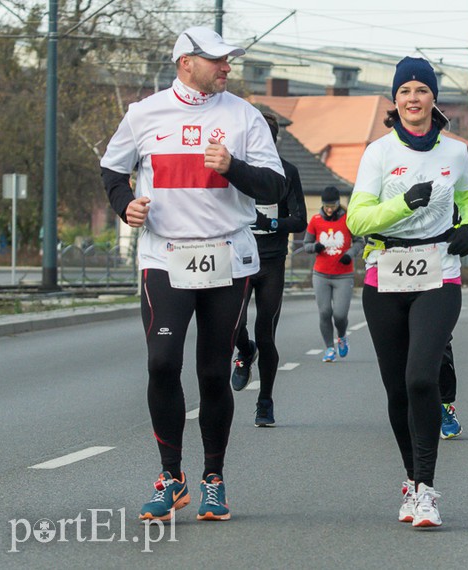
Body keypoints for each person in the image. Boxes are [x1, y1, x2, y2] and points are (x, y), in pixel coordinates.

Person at [100, 26, 285, 522]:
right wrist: (125, 208)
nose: (227, 68)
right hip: (164, 257)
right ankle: (171, 476)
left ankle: (213, 478)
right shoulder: (144, 114)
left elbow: (274, 185)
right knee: (162, 362)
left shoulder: (244, 116)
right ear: (187, 62)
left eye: (229, 60)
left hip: (227, 257)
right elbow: (112, 171)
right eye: (218, 60)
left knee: (211, 371)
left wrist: (233, 167)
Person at [346, 56, 468, 528]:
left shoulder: (455, 152)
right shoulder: (378, 153)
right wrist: (403, 203)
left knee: (422, 377)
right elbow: (358, 220)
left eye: (421, 90)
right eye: (404, 91)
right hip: (384, 274)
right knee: (397, 389)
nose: (412, 99)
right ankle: (410, 480)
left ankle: (426, 489)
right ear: (395, 100)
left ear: (433, 98)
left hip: (439, 272)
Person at [231, 112, 308, 426]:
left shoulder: (287, 172)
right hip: (238, 258)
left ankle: (265, 401)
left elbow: (300, 220)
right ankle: (243, 350)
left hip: (272, 261)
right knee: (232, 325)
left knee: (266, 333)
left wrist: (271, 223)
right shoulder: (236, 170)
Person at [304, 186, 363, 362]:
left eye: (333, 206)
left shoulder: (348, 219)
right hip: (321, 274)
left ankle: (342, 337)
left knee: (339, 314)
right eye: (326, 206)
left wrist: (349, 254)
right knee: (324, 312)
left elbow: (360, 242)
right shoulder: (315, 220)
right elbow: (306, 245)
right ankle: (330, 348)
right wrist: (315, 247)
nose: (329, 209)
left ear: (338, 204)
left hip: (343, 275)